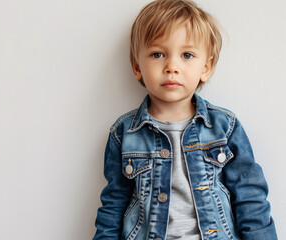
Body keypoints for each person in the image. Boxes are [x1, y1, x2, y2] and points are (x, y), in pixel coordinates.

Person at [93, 0, 278, 239]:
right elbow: (113, 205)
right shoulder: (124, 133)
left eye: (187, 55)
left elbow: (250, 197)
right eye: (157, 54)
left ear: (206, 67)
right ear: (137, 66)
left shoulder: (225, 127)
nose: (172, 66)